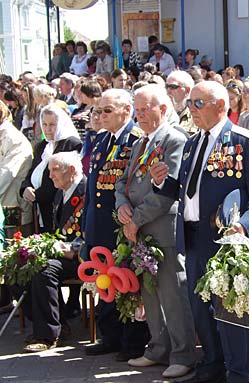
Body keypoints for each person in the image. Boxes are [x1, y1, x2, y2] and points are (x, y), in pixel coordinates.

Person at [150, 80, 249, 383]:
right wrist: (161, 181)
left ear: (221, 105)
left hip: (228, 240)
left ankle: (239, 373)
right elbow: (185, 191)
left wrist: (244, 224)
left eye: (198, 103)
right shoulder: (193, 142)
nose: (191, 109)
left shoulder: (244, 140)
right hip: (193, 237)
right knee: (201, 309)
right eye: (190, 103)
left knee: (232, 312)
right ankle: (212, 366)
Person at [114, 84, 196, 378]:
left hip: (161, 227)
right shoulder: (140, 143)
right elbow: (122, 182)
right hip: (140, 229)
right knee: (150, 292)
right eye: (136, 109)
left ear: (163, 109)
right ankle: (158, 346)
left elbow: (166, 193)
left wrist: (134, 219)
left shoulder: (174, 139)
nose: (139, 115)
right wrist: (122, 208)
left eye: (144, 109)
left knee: (173, 292)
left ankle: (183, 353)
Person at [82, 89, 149, 361]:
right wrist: (88, 221)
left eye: (107, 110)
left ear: (126, 110)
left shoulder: (135, 140)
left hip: (121, 222)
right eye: (98, 110)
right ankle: (110, 336)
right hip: (100, 222)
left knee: (128, 281)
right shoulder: (101, 140)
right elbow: (92, 186)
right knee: (105, 279)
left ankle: (132, 341)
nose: (101, 116)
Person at [20, 152, 86, 353]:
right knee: (20, 267)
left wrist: (73, 249)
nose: (50, 176)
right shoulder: (61, 191)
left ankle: (47, 335)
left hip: (82, 256)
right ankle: (58, 320)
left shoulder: (86, 192)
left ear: (72, 171)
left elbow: (93, 232)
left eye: (55, 170)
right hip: (61, 252)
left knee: (44, 270)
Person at [20, 104, 82, 232]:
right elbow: (31, 171)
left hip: (57, 207)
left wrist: (37, 195)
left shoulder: (71, 144)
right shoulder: (42, 146)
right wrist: (25, 188)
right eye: (45, 124)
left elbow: (64, 178)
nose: (48, 129)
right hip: (39, 208)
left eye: (52, 125)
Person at [0, 100, 33, 232]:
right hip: (4, 206)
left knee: (13, 248)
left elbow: (6, 174)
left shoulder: (13, 139)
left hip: (13, 207)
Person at [165, 70, 199, 135]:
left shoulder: (196, 115)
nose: (168, 91)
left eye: (173, 87)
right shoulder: (161, 115)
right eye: (167, 87)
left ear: (187, 90)